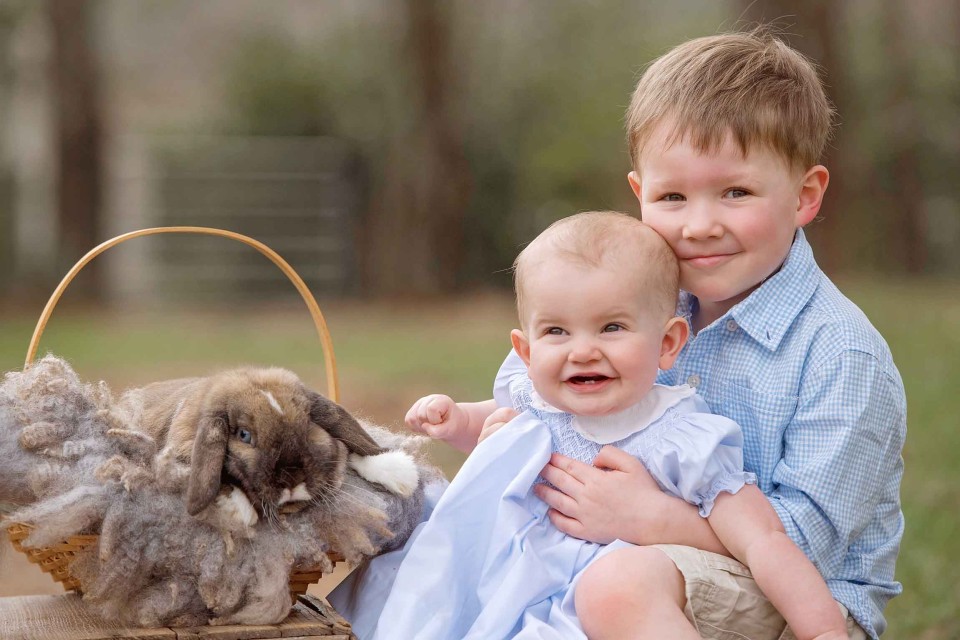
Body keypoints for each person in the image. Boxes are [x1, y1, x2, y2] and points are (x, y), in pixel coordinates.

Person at [491, 30, 905, 639]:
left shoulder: (840, 354)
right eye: (673, 196)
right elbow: (537, 389)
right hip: (620, 560)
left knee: (616, 588)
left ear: (805, 195)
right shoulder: (635, 302)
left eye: (735, 192)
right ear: (640, 194)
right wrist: (509, 427)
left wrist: (653, 518)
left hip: (793, 602)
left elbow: (805, 543)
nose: (700, 225)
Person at [373, 211, 846, 639]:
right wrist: (458, 420)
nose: (582, 350)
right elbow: (497, 436)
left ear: (668, 343)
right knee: (407, 565)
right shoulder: (535, 401)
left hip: (589, 597)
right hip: (498, 575)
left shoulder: (678, 437)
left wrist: (822, 629)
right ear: (526, 351)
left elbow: (762, 537)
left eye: (612, 328)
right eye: (557, 331)